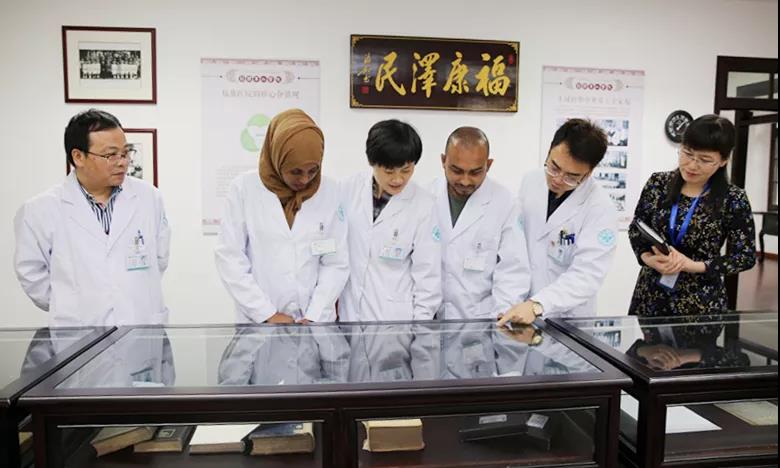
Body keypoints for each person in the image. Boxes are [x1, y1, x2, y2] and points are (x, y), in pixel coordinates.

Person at [14, 109, 171, 327]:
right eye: (110, 155)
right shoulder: (40, 209)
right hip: (78, 331)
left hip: (141, 325)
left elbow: (160, 259)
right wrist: (71, 305)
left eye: (125, 153)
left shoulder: (149, 198)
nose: (122, 162)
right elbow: (32, 275)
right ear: (78, 157)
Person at [215, 108, 348, 324]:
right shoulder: (244, 189)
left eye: (313, 171)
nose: (304, 180)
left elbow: (336, 262)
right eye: (296, 171)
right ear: (277, 159)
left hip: (313, 323)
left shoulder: (330, 191)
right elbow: (230, 257)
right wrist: (266, 313)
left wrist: (315, 315)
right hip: (260, 323)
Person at [628, 115, 756, 317]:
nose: (692, 165)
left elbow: (745, 256)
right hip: (651, 293)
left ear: (723, 161)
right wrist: (648, 259)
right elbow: (637, 229)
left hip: (701, 300)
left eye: (705, 160)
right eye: (687, 153)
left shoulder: (733, 198)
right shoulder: (658, 184)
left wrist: (694, 266)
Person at [499, 119, 617, 326]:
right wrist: (510, 300)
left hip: (568, 319)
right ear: (549, 151)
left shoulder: (600, 208)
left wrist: (538, 304)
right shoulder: (531, 181)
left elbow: (587, 275)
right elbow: (516, 249)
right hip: (522, 308)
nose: (558, 179)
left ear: (589, 173)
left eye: (571, 176)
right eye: (554, 167)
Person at [339, 119, 441, 322]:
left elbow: (427, 276)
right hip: (349, 316)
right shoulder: (347, 190)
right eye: (389, 171)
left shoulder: (424, 205)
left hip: (397, 321)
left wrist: (421, 327)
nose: (398, 179)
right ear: (372, 162)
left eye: (406, 170)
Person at [431, 127, 530, 319]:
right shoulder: (426, 198)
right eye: (456, 171)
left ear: (488, 165)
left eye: (475, 172)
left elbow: (513, 271)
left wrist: (500, 318)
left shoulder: (506, 203)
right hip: (430, 319)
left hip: (481, 321)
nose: (465, 181)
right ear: (443, 161)